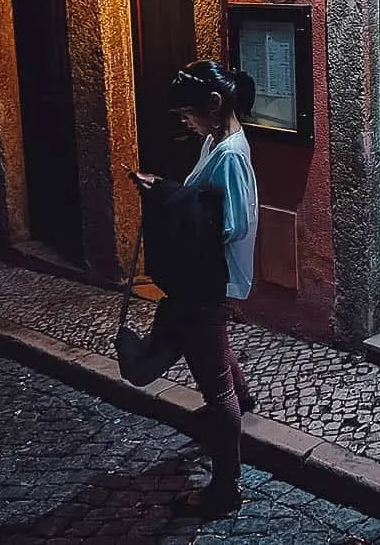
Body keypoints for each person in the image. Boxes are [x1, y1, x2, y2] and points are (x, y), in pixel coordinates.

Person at [127, 60, 258, 516]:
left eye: (188, 111)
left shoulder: (229, 155)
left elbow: (233, 224)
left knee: (213, 386)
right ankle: (243, 400)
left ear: (215, 106)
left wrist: (163, 196)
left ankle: (225, 487)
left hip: (207, 281)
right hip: (203, 279)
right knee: (214, 349)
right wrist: (164, 188)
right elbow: (197, 200)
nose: (184, 120)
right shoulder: (214, 142)